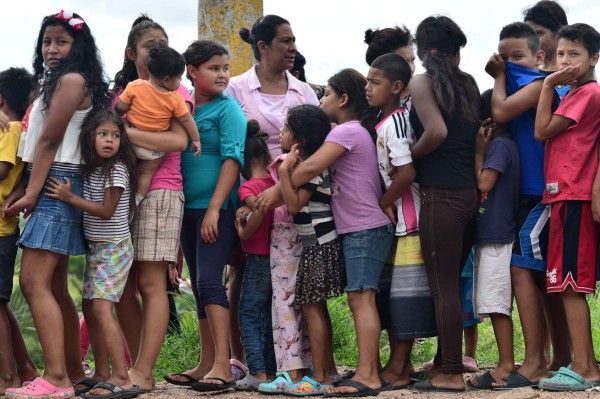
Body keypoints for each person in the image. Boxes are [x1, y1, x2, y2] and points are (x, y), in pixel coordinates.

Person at [256, 68, 394, 397]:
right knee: (358, 299)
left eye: (328, 94)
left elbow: (310, 169)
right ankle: (360, 372)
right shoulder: (351, 129)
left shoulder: (345, 132)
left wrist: (271, 190)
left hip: (363, 226)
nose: (323, 100)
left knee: (361, 299)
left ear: (343, 99)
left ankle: (366, 376)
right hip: (357, 227)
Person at [2, 10, 109, 399]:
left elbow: (49, 140)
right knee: (58, 288)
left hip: (57, 182)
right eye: (47, 41)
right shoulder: (60, 81)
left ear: (77, 45)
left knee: (33, 282)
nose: (52, 48)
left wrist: (32, 191)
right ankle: (74, 372)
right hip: (52, 180)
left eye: (61, 41)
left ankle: (57, 378)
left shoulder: (72, 80)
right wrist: (26, 185)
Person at [225, 14, 318, 390]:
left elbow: (315, 149)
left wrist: (279, 186)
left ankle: (292, 365)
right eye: (285, 41)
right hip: (250, 195)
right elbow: (229, 146)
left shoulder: (304, 92)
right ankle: (248, 362)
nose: (292, 48)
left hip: (295, 197)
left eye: (294, 40)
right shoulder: (236, 89)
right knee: (247, 278)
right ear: (262, 47)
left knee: (294, 286)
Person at [485, 21, 571, 389]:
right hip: (531, 193)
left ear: (538, 57)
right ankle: (559, 356)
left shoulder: (539, 85)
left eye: (517, 57)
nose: (508, 63)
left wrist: (498, 76)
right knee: (537, 277)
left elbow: (502, 111)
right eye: (504, 57)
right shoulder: (529, 84)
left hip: (542, 193)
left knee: (521, 269)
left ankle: (535, 360)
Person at [111, 15, 191, 393]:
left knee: (151, 283)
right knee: (123, 285)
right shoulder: (129, 92)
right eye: (149, 45)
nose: (157, 50)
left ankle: (143, 371)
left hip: (161, 191)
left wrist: (128, 133)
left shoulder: (177, 90)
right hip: (125, 193)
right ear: (132, 54)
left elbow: (177, 142)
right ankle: (134, 366)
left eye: (162, 43)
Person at [407, 16, 480, 393]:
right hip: (469, 195)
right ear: (456, 50)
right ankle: (443, 361)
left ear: (421, 48)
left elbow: (436, 131)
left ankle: (451, 371)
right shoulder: (467, 83)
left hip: (441, 196)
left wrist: (408, 161)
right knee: (450, 283)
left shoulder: (423, 81)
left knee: (443, 286)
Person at [45, 110, 138, 398]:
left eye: (115, 135)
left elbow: (108, 212)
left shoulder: (117, 169)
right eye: (103, 134)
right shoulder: (93, 168)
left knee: (100, 308)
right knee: (89, 308)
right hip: (97, 249)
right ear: (90, 137)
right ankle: (101, 372)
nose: (110, 140)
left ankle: (122, 376)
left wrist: (71, 197)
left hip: (114, 248)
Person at [172, 39, 246, 393]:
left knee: (209, 282)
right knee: (199, 284)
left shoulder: (227, 110)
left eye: (225, 68)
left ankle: (223, 365)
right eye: (214, 68)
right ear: (192, 70)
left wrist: (216, 208)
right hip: (184, 208)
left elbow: (232, 160)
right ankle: (205, 363)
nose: (222, 75)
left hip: (215, 209)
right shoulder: (181, 108)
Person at [535, 23, 600, 392]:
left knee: (573, 285)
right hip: (564, 194)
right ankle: (583, 363)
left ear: (594, 58)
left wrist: (547, 85)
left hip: (572, 194)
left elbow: (542, 130)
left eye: (574, 54)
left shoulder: (585, 94)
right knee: (567, 284)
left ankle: (586, 368)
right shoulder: (577, 94)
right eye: (561, 54)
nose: (565, 61)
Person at [365, 54, 436, 390]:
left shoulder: (394, 123)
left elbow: (406, 171)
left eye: (375, 82)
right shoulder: (384, 120)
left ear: (395, 86)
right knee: (395, 298)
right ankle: (400, 364)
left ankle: (398, 368)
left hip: (411, 221)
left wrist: (384, 201)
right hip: (400, 224)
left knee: (405, 300)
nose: (368, 88)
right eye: (367, 81)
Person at [278, 105, 345, 395]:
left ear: (299, 140)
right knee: (317, 308)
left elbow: (293, 205)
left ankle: (319, 375)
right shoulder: (309, 163)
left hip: (319, 244)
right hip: (317, 244)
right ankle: (327, 370)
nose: (280, 133)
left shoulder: (312, 168)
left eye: (285, 128)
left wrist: (283, 171)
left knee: (312, 308)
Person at [467, 89, 520, 390]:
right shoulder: (507, 144)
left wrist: (478, 152)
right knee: (493, 300)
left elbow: (485, 182)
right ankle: (505, 362)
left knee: (496, 303)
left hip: (497, 235)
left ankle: (505, 366)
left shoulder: (499, 145)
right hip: (495, 233)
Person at [115, 45, 200, 201]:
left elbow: (120, 108)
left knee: (125, 168)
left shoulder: (135, 86)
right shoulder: (175, 99)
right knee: (146, 173)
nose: (181, 81)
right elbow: (187, 119)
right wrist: (196, 139)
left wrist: (117, 120)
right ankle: (136, 200)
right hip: (154, 149)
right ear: (167, 80)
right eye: (179, 78)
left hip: (130, 142)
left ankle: (120, 200)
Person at [0, 67, 39, 396]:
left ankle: (8, 376)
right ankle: (23, 367)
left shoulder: (9, 129)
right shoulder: (14, 126)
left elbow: (2, 170)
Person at [233, 120, 277, 390]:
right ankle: (271, 369)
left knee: (248, 313)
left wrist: (241, 231)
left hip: (258, 258)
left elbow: (258, 213)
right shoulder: (276, 182)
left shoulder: (247, 189)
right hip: (280, 257)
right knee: (271, 315)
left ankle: (258, 371)